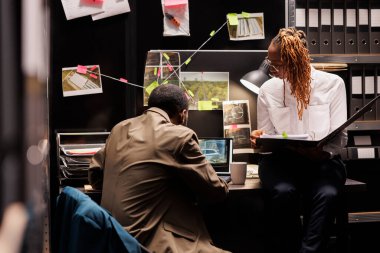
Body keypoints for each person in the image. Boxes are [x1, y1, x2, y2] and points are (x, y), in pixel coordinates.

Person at [89, 84, 230, 253]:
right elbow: (216, 192)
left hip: (114, 240)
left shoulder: (119, 128)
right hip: (145, 244)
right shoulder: (179, 136)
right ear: (183, 114)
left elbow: (95, 176)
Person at [250, 27, 347, 253]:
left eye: (278, 65)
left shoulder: (332, 84)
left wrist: (323, 153)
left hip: (322, 162)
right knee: (283, 193)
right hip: (281, 161)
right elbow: (267, 136)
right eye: (270, 62)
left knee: (327, 195)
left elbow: (340, 138)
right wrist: (259, 139)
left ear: (297, 60)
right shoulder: (268, 90)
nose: (271, 70)